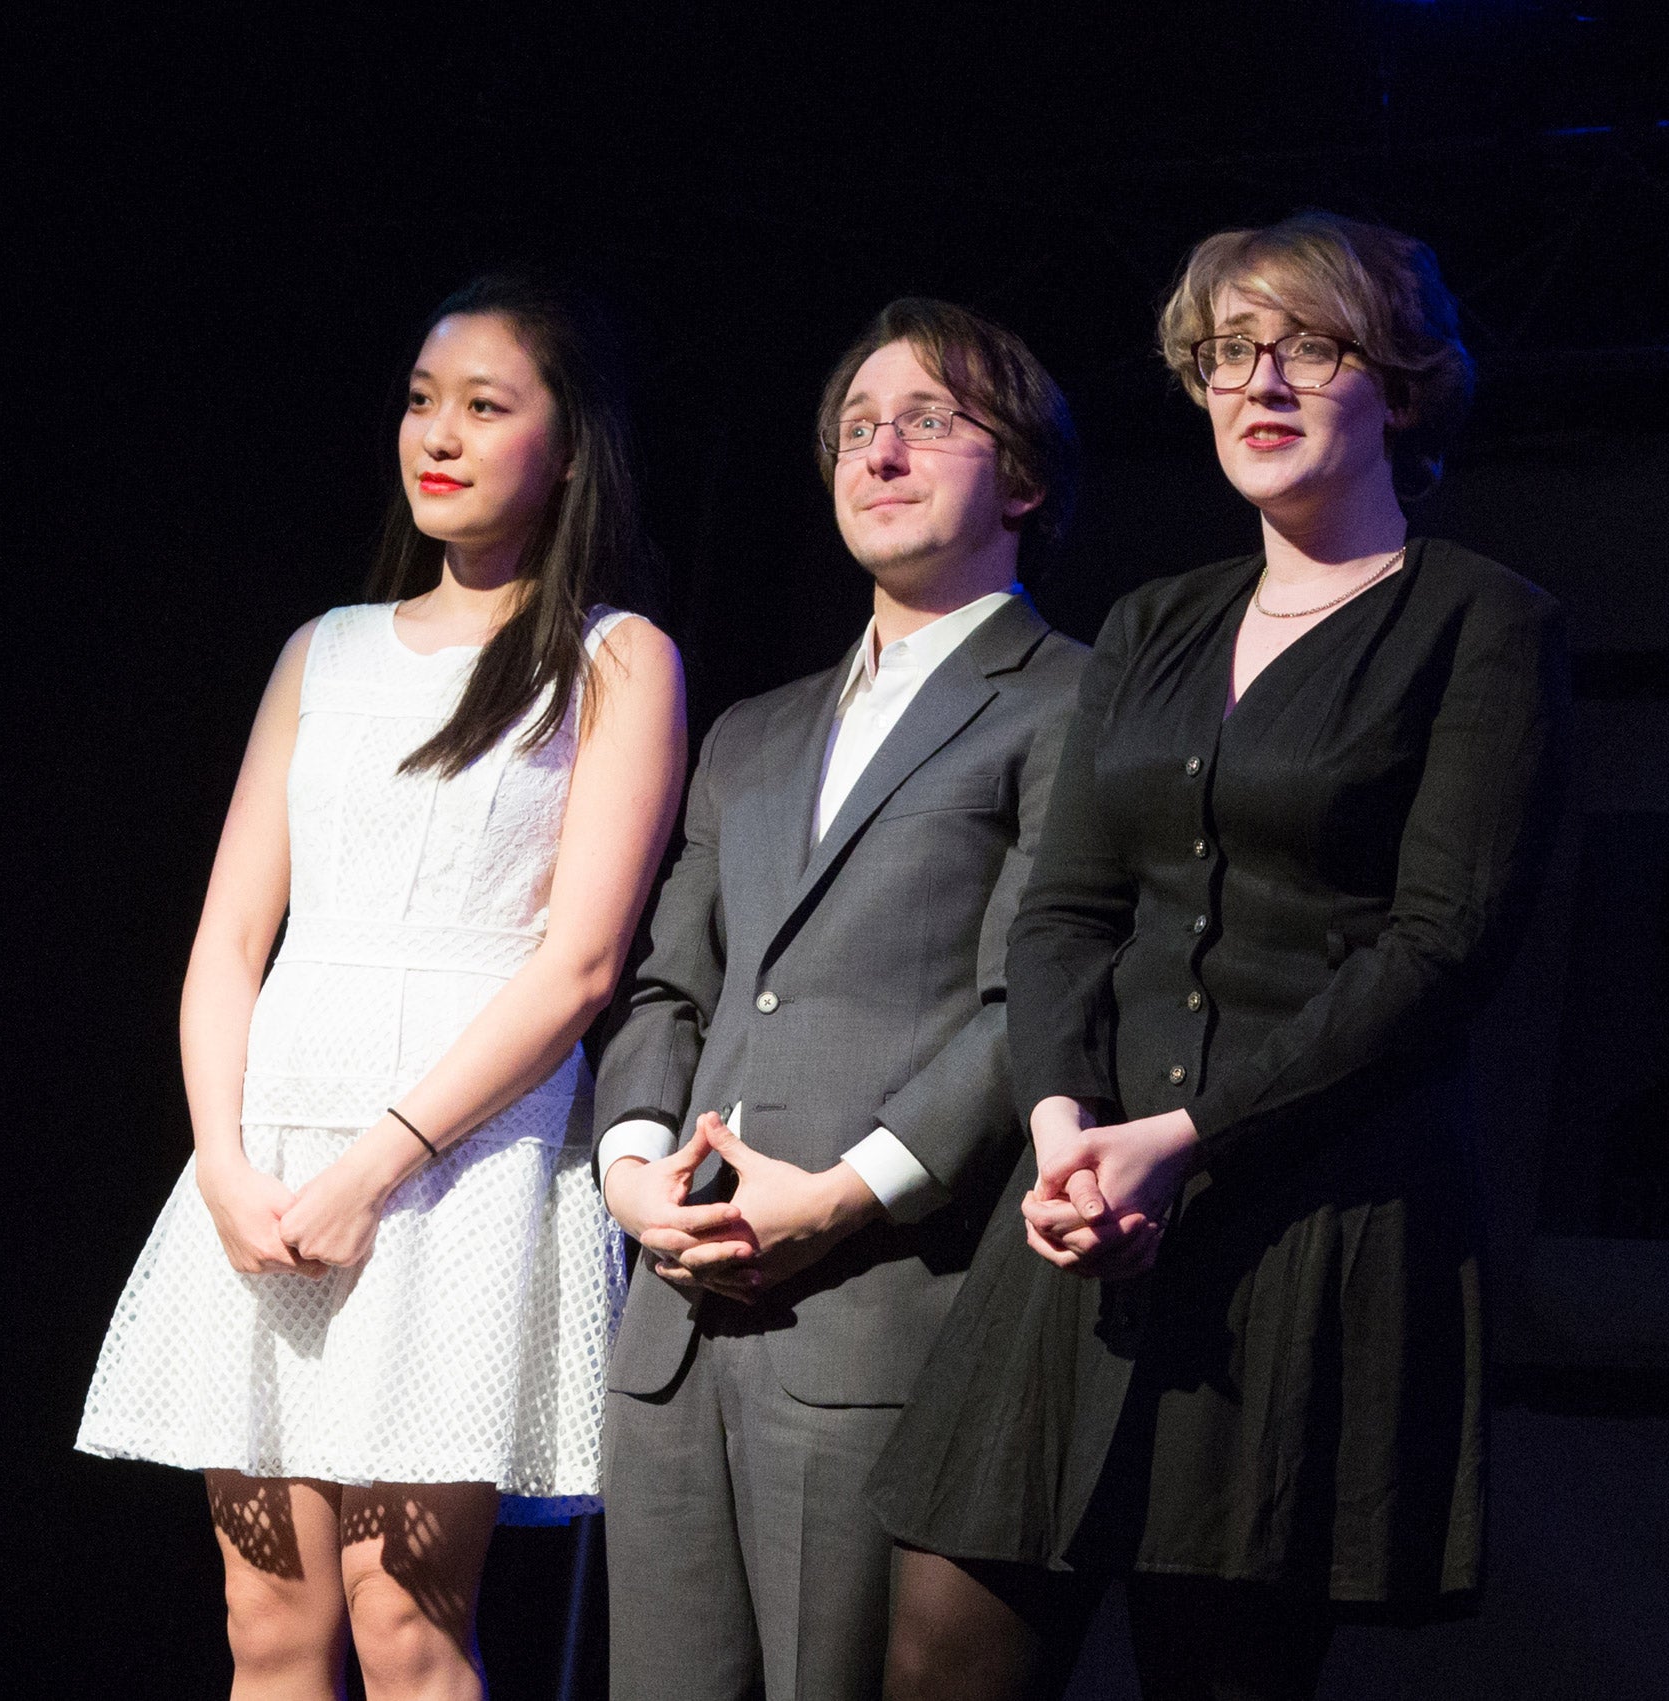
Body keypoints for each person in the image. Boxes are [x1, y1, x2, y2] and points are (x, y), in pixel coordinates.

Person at [867, 212, 1571, 1701]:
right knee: (940, 1647)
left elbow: (1441, 946)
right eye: (1224, 353)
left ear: (1394, 381)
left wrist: (1183, 1138)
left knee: (1218, 1665)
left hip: (1301, 1224)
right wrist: (1065, 1129)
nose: (1256, 382)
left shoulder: (1478, 624)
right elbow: (1063, 910)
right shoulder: (1151, 622)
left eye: (1304, 346)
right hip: (1083, 1210)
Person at [76, 277, 687, 1701]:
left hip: (453, 1169)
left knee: (405, 1623)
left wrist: (380, 1162)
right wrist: (224, 1161)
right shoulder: (326, 650)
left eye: (485, 405)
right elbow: (229, 942)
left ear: (570, 445)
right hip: (274, 1148)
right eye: (423, 399)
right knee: (268, 1628)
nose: (439, 433)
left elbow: (579, 964)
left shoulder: (613, 658)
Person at [592, 298, 1089, 1701]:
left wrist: (840, 1193)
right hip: (678, 1319)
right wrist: (632, 1175)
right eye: (856, 430)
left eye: (929, 421)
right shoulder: (751, 729)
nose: (880, 453)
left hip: (875, 1305)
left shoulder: (1069, 701)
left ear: (1025, 477)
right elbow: (666, 982)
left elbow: (1033, 1000)